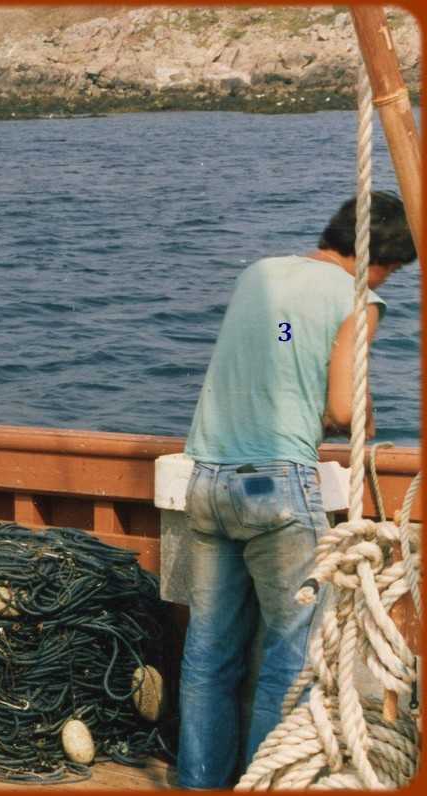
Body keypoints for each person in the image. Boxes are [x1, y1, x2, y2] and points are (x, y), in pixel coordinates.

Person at [177, 191, 416, 787]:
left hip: (207, 480)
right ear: (381, 260)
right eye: (392, 271)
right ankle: (269, 782)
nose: (387, 282)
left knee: (208, 655)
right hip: (277, 488)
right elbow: (342, 408)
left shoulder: (260, 275)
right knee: (290, 659)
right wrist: (361, 412)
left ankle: (199, 783)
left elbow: (282, 339)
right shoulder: (359, 298)